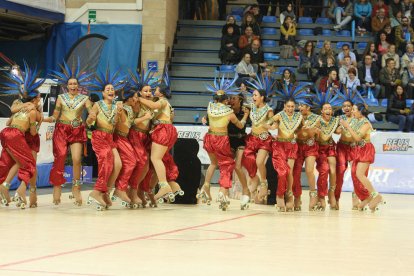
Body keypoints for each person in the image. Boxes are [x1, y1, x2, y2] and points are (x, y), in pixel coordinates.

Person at [44, 60, 93, 206]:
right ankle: (57, 187)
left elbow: (91, 113)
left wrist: (91, 118)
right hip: (61, 129)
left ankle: (76, 187)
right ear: (67, 86)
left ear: (78, 86)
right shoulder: (60, 98)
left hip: (77, 130)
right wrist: (43, 119)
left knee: (77, 159)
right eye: (70, 84)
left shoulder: (84, 98)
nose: (73, 86)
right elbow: (55, 116)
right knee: (60, 158)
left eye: (75, 84)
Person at [200, 76, 249, 210]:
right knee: (227, 165)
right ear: (226, 100)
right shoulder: (229, 112)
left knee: (214, 163)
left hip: (209, 138)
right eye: (229, 99)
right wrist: (245, 116)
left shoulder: (210, 107)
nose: (230, 101)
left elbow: (208, 120)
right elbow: (240, 126)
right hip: (222, 139)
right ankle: (222, 191)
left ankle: (206, 186)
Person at [0, 63, 43, 209]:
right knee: (29, 164)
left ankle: (4, 186)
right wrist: (36, 125)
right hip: (18, 136)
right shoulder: (28, 108)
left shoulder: (30, 108)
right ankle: (20, 191)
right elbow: (32, 131)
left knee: (11, 162)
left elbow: (8, 121)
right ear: (35, 98)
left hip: (7, 133)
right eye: (38, 97)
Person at [138, 67, 182, 203]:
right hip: (166, 129)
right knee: (161, 160)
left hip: (163, 129)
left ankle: (164, 185)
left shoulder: (162, 101)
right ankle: (170, 185)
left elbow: (152, 105)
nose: (153, 91)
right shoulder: (163, 104)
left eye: (155, 89)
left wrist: (138, 97)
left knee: (155, 159)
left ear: (161, 92)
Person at [85, 69, 125, 210]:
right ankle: (96, 192)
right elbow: (90, 120)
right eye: (107, 89)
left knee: (118, 164)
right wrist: (90, 119)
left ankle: (105, 191)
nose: (110, 90)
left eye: (112, 89)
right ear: (103, 93)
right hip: (99, 136)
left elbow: (114, 124)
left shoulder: (116, 106)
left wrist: (119, 113)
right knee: (106, 163)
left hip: (110, 137)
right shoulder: (98, 104)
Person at [268, 84, 308, 211]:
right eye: (288, 106)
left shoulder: (299, 117)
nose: (290, 108)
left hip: (292, 145)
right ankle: (279, 195)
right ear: (284, 106)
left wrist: (301, 133)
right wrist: (272, 127)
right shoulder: (279, 115)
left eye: (292, 106)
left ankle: (289, 194)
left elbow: (302, 128)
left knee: (290, 171)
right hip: (280, 146)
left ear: (295, 107)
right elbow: (268, 123)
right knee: (282, 172)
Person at [339, 104, 386, 212]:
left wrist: (347, 126)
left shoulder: (365, 123)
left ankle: (376, 196)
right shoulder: (356, 121)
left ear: (360, 112)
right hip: (358, 150)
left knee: (359, 174)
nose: (352, 111)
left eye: (354, 109)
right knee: (355, 175)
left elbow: (356, 137)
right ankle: (367, 200)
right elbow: (349, 135)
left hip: (366, 149)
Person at [127, 68, 158, 207]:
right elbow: (131, 122)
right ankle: (131, 190)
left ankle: (138, 190)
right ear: (139, 93)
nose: (148, 93)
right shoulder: (137, 104)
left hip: (145, 137)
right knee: (140, 163)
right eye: (145, 91)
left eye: (150, 91)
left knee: (146, 168)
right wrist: (145, 117)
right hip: (135, 135)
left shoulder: (151, 105)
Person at [241, 76, 274, 205]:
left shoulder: (269, 110)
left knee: (260, 162)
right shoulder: (251, 107)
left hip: (264, 139)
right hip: (252, 137)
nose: (253, 97)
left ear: (262, 97)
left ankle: (264, 182)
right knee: (248, 160)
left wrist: (269, 126)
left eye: (255, 95)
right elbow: (239, 103)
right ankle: (255, 182)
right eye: (253, 95)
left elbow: (273, 124)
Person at [335, 90, 369, 210]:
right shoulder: (339, 118)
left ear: (352, 107)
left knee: (355, 174)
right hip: (342, 148)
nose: (346, 108)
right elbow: (337, 131)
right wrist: (340, 127)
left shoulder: (357, 118)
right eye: (344, 106)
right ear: (342, 108)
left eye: (349, 106)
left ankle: (357, 199)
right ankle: (336, 199)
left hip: (354, 148)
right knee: (339, 173)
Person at [314, 92, 341, 210]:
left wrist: (341, 129)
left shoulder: (335, 121)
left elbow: (337, 131)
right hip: (320, 148)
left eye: (329, 108)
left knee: (334, 171)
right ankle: (321, 197)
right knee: (324, 171)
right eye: (325, 108)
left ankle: (331, 194)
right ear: (321, 111)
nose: (328, 110)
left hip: (330, 147)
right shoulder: (317, 120)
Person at [291, 99, 320, 211]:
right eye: (299, 105)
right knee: (296, 172)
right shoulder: (295, 116)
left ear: (308, 107)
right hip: (298, 146)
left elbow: (313, 133)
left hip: (310, 146)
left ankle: (313, 194)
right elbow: (293, 132)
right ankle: (297, 197)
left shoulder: (316, 118)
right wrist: (299, 130)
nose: (300, 107)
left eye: (302, 105)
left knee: (309, 170)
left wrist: (307, 130)